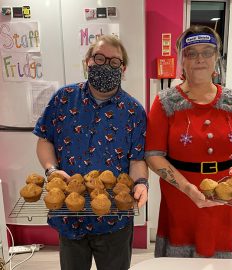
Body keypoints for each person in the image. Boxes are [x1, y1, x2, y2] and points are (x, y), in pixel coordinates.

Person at [145, 25, 232, 258]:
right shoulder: (164, 103)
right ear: (182, 60)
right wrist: (188, 189)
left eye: (207, 51)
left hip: (227, 201)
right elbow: (153, 155)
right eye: (191, 53)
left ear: (217, 57)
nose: (199, 59)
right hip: (181, 200)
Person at [33, 35, 148, 270]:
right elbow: (45, 140)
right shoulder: (63, 99)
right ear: (88, 62)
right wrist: (51, 170)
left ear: (123, 68)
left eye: (114, 62)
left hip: (114, 218)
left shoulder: (134, 111)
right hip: (69, 214)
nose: (106, 65)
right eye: (99, 58)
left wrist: (142, 182)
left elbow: (137, 159)